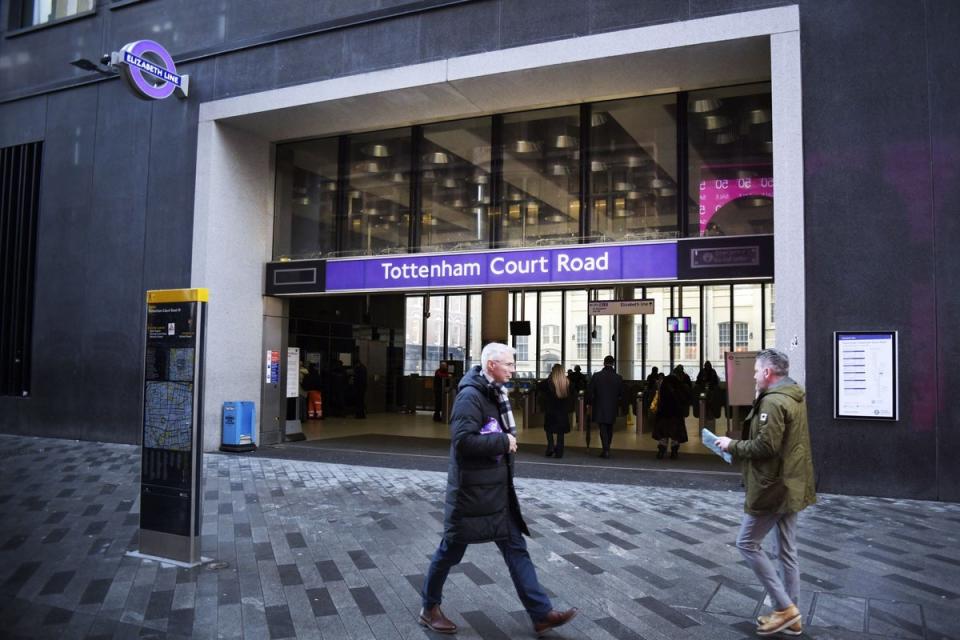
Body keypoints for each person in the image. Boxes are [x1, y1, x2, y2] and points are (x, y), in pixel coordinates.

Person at [418, 343, 578, 636]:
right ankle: (429, 608)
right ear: (491, 365)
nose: (514, 370)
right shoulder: (470, 397)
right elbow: (463, 442)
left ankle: (541, 614)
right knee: (450, 551)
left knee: (517, 549)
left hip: (496, 493)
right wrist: (503, 442)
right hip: (471, 496)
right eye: (509, 365)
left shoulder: (494, 393)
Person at [716, 349, 816, 637]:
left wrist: (731, 444)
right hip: (791, 483)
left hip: (773, 486)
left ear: (769, 373)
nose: (755, 376)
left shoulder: (772, 403)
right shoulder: (794, 395)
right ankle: (792, 618)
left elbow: (765, 447)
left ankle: (785, 608)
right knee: (787, 550)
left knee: (747, 543)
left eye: (757, 371)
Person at [587, 355, 623, 459]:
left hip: (600, 406)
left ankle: (605, 449)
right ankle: (607, 447)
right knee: (610, 427)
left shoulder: (597, 376)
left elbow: (590, 392)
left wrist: (589, 403)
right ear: (613, 363)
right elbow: (621, 394)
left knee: (602, 427)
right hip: (612, 407)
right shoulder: (618, 378)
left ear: (604, 363)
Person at [539, 364, 574, 458]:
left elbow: (539, 386)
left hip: (550, 410)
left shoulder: (548, 382)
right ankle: (559, 451)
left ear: (552, 371)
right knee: (560, 432)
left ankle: (550, 446)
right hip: (562, 412)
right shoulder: (567, 382)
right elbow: (572, 395)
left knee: (549, 429)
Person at [651, 372, 688, 459]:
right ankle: (674, 452)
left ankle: (661, 451)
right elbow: (683, 398)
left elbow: (659, 398)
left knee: (663, 435)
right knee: (675, 435)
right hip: (675, 414)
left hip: (663, 413)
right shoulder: (678, 385)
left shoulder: (664, 383)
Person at [694, 361, 722, 428]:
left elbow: (715, 381)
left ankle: (709, 413)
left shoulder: (710, 372)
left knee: (710, 402)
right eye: (706, 365)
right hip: (704, 390)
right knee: (704, 403)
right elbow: (698, 380)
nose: (707, 367)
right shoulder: (706, 371)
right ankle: (707, 413)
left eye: (708, 365)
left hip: (710, 390)